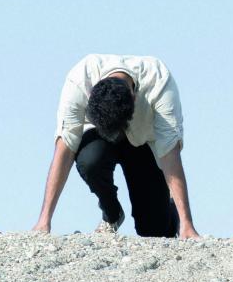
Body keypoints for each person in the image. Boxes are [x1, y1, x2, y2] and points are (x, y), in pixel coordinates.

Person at [33, 54, 199, 238]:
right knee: (90, 161)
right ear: (90, 94)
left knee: (154, 230)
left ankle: (170, 209)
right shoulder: (79, 80)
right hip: (100, 138)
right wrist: (44, 219)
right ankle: (112, 214)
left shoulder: (159, 82)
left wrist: (187, 223)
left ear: (134, 99)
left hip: (143, 143)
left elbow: (170, 154)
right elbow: (64, 149)